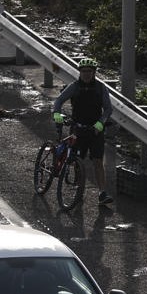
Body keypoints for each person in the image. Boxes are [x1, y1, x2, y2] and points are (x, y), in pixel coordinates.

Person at [53, 56, 115, 206]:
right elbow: (59, 101)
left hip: (95, 130)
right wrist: (56, 114)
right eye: (83, 71)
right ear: (79, 72)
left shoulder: (101, 88)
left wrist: (101, 123)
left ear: (94, 72)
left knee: (98, 161)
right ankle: (79, 189)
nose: (86, 74)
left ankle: (102, 193)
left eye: (89, 71)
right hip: (78, 128)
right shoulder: (74, 86)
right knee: (76, 160)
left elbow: (108, 108)